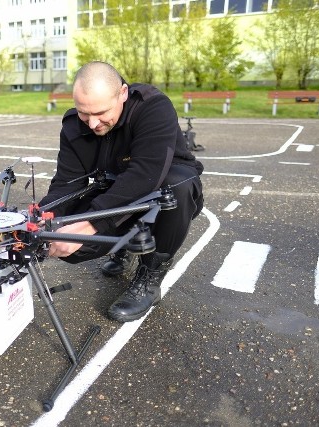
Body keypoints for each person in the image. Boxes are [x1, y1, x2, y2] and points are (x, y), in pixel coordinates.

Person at [38, 61, 204, 323]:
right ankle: (124, 246)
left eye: (101, 112)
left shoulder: (153, 107)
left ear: (123, 94)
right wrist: (43, 219)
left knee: (176, 188)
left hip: (162, 187)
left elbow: (144, 175)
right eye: (84, 113)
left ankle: (150, 276)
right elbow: (66, 183)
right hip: (115, 187)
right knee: (68, 244)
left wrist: (91, 224)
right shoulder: (73, 125)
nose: (92, 123)